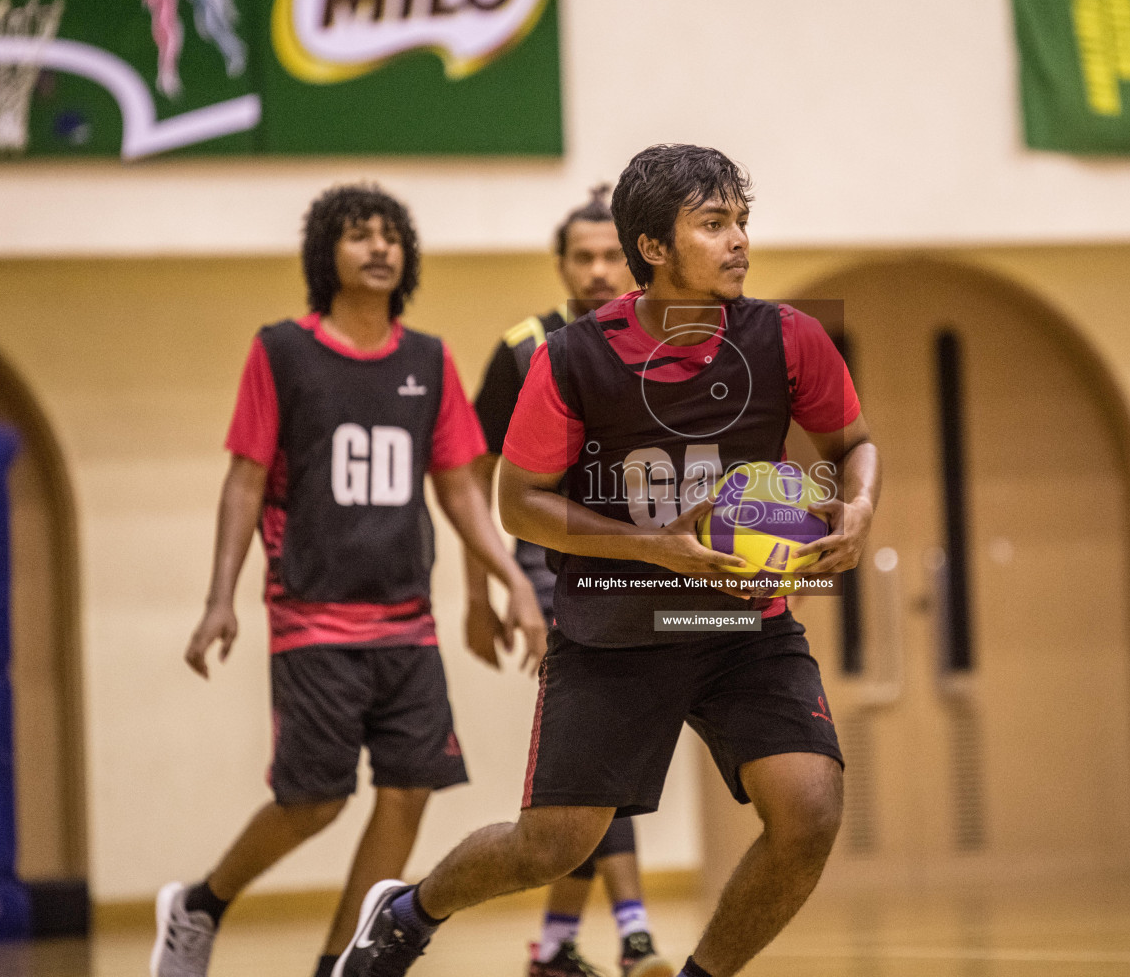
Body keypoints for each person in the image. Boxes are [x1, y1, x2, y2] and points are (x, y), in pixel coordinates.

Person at [332, 144, 880, 977]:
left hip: (744, 625)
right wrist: (657, 547)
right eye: (713, 225)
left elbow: (855, 443)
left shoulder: (788, 338)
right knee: (551, 846)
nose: (738, 242)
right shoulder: (573, 358)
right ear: (654, 247)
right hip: (616, 630)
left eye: (741, 223)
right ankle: (407, 912)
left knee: (809, 812)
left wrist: (860, 505)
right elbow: (521, 502)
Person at [151, 184, 547, 977]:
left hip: (407, 619)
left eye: (391, 235)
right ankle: (201, 905)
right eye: (359, 234)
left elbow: (462, 486)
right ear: (324, 253)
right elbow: (244, 479)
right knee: (316, 801)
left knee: (410, 789)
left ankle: (344, 963)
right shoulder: (282, 351)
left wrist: (513, 579)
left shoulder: (428, 358)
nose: (379, 248)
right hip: (312, 616)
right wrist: (218, 600)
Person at [465, 186, 672, 977]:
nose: (596, 271)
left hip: (651, 571)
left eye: (609, 256)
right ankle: (635, 935)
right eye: (581, 257)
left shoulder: (669, 342)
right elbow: (471, 480)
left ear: (637, 257)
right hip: (555, 578)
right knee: (604, 750)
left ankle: (554, 947)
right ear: (560, 265)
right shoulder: (526, 349)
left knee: (600, 760)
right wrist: (486, 591)